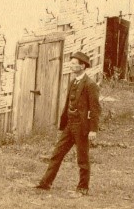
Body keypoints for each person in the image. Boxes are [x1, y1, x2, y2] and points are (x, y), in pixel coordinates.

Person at [34, 51, 100, 197]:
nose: (71, 65)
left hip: (82, 126)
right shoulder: (72, 82)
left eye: (74, 64)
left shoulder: (90, 85)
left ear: (82, 66)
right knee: (57, 154)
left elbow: (95, 109)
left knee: (82, 158)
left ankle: (83, 188)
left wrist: (93, 130)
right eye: (71, 63)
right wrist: (64, 123)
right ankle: (45, 183)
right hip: (70, 125)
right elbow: (67, 104)